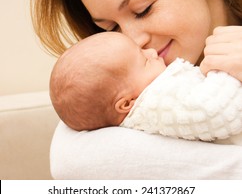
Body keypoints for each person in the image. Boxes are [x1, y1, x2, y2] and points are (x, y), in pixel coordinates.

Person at [31, 0, 242, 179]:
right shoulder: (127, 94)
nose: (132, 40)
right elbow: (71, 163)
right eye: (110, 28)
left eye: (143, 10)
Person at [50, 31, 242, 145]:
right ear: (127, 103)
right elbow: (213, 111)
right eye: (144, 60)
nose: (151, 51)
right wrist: (222, 71)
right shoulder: (154, 105)